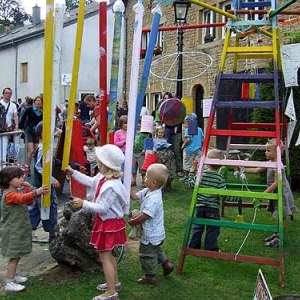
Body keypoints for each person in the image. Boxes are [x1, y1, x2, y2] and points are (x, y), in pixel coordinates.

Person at [68, 144, 129, 300]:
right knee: (110, 255)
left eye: (99, 161)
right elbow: (89, 181)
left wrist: (83, 203)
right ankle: (114, 283)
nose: (96, 163)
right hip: (110, 223)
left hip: (108, 224)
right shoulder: (103, 178)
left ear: (105, 165)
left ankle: (111, 293)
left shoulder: (111, 185)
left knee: (104, 257)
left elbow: (102, 208)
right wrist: (72, 172)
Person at [0, 166, 49, 292]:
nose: (22, 179)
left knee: (18, 253)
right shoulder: (10, 195)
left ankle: (13, 276)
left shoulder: (17, 190)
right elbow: (22, 199)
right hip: (12, 231)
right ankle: (9, 282)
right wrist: (35, 192)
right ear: (9, 180)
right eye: (19, 177)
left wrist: (27, 189)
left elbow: (28, 202)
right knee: (14, 255)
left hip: (18, 229)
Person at [242, 138, 296, 247]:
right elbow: (257, 170)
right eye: (265, 150)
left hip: (282, 193)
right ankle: (276, 234)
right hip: (275, 192)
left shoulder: (277, 165)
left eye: (268, 151)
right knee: (278, 214)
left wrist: (263, 195)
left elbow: (277, 182)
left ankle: (279, 238)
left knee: (282, 215)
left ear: (276, 153)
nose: (265, 152)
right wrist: (243, 169)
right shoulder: (270, 162)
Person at [129, 163, 174, 284]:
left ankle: (150, 275)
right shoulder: (147, 190)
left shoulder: (154, 198)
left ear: (154, 182)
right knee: (155, 250)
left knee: (146, 254)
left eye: (146, 176)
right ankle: (167, 264)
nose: (144, 178)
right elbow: (134, 197)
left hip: (151, 234)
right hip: (156, 234)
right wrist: (127, 187)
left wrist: (134, 221)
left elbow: (146, 215)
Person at [188, 148, 238, 252]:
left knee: (198, 226)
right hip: (212, 208)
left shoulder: (201, 174)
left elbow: (192, 184)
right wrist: (236, 198)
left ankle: (193, 246)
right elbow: (223, 194)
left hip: (200, 207)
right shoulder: (219, 178)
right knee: (213, 228)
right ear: (220, 165)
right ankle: (211, 248)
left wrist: (192, 173)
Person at [28, 121, 60, 244]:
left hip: (39, 184)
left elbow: (52, 162)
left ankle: (28, 233)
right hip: (44, 185)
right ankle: (52, 235)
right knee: (49, 208)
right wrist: (52, 180)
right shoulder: (43, 148)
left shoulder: (45, 147)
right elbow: (39, 167)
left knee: (35, 210)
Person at [19, 95, 43, 176]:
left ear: (42, 103)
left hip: (37, 133)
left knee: (36, 151)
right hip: (29, 131)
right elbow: (23, 118)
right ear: (34, 102)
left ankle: (36, 168)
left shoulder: (42, 112)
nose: (38, 102)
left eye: (39, 101)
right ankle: (27, 168)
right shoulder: (29, 109)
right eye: (36, 101)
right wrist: (21, 128)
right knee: (31, 150)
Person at [180, 113, 204, 183]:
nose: (185, 123)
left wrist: (183, 146)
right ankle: (197, 178)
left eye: (186, 121)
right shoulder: (199, 129)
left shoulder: (188, 129)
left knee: (187, 164)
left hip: (189, 150)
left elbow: (188, 140)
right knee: (197, 164)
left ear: (189, 121)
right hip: (198, 150)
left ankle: (187, 177)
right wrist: (200, 146)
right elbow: (203, 140)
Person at [153, 126, 176, 192]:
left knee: (169, 170)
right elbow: (153, 148)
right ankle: (161, 186)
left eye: (162, 133)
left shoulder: (164, 139)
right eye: (159, 132)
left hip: (166, 156)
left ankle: (168, 185)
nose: (160, 134)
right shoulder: (154, 140)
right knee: (160, 171)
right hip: (159, 156)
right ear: (156, 133)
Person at [0, 88, 19, 166]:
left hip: (7, 131)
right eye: (7, 93)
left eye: (10, 93)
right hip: (1, 128)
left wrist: (16, 126)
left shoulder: (13, 105)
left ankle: (3, 167)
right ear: (3, 94)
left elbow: (15, 116)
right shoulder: (0, 103)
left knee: (4, 149)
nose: (8, 94)